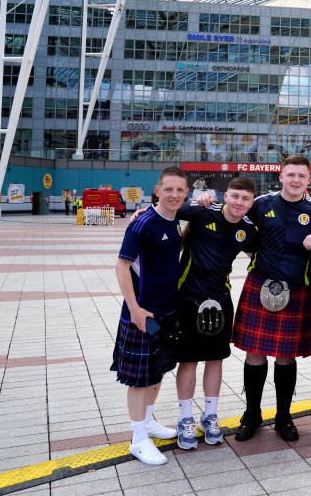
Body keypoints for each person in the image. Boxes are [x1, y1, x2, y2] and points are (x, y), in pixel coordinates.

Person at [230, 155, 311, 442]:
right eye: (291, 175)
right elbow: (233, 216)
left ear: (309, 180)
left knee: (285, 357)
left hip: (296, 290)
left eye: (301, 176)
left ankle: (283, 417)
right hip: (260, 286)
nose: (296, 180)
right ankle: (251, 414)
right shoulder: (263, 203)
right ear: (281, 177)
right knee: (255, 353)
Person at [172, 177, 258, 450]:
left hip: (220, 301)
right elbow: (167, 208)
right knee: (188, 361)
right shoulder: (201, 212)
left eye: (245, 199)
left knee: (215, 359)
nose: (239, 203)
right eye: (235, 196)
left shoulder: (247, 230)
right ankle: (185, 419)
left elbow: (262, 253)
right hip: (187, 299)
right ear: (226, 195)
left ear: (251, 203)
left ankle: (209, 416)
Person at [111, 166, 189, 465]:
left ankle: (149, 422)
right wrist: (134, 309)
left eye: (180, 190)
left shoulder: (175, 222)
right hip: (142, 313)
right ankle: (138, 438)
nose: (174, 195)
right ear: (157, 190)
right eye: (168, 189)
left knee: (157, 373)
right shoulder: (142, 224)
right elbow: (121, 267)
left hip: (167, 312)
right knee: (140, 380)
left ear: (186, 193)